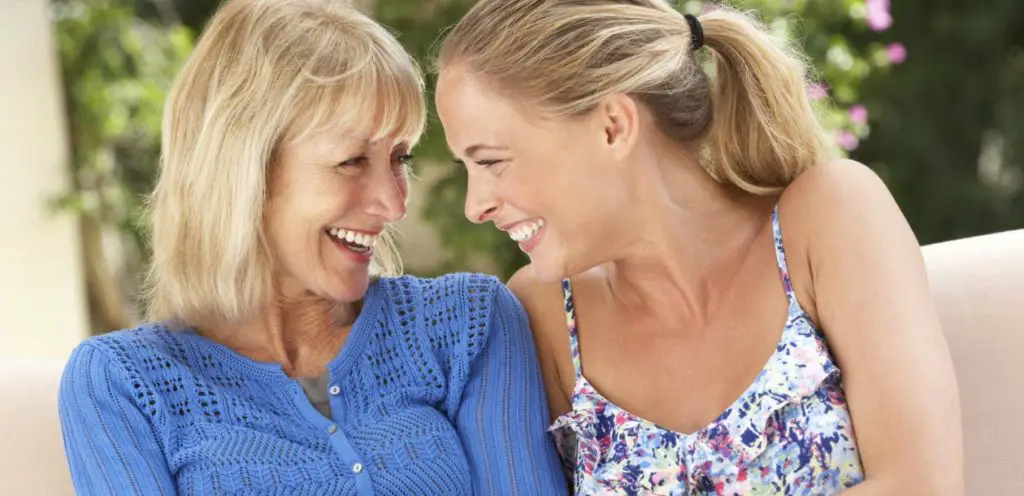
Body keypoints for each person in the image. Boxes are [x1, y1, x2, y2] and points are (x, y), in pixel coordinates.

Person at [435, 1, 963, 494]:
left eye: (492, 162)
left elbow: (921, 486)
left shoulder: (828, 218)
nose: (474, 206)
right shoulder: (543, 311)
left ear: (613, 126)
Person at [56, 0, 567, 494]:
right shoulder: (124, 383)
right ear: (244, 173)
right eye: (351, 161)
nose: (393, 205)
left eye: (399, 158)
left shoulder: (466, 324)